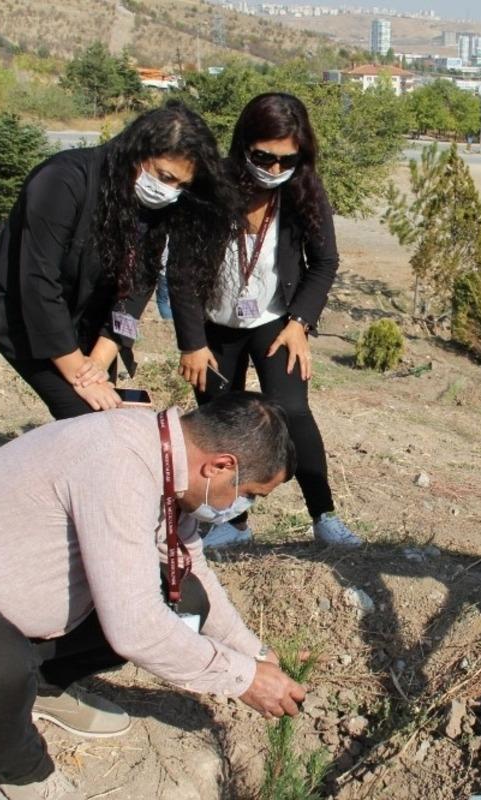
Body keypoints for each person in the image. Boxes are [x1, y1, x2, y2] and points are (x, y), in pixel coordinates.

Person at [0, 391, 308, 800]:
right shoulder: (119, 461)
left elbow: (192, 571)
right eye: (249, 495)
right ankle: (22, 770)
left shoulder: (167, 461)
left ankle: (39, 685)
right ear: (219, 466)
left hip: (10, 612)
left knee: (184, 600)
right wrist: (241, 678)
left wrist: (256, 654)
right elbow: (135, 628)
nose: (242, 508)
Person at [0, 101, 238, 420]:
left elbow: (136, 287)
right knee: (86, 414)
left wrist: (98, 364)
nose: (170, 192)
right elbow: (37, 282)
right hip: (25, 311)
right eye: (165, 177)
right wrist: (79, 373)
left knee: (106, 414)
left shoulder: (154, 208)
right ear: (137, 152)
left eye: (182, 186)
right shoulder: (63, 180)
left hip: (89, 315)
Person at [182, 93, 360, 548]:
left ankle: (324, 517)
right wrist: (191, 342)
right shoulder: (211, 185)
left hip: (276, 322)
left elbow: (325, 262)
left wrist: (300, 321)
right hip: (214, 327)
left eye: (287, 159)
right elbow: (180, 268)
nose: (275, 170)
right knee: (221, 423)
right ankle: (232, 522)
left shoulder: (305, 189)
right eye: (264, 158)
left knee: (293, 411)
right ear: (244, 144)